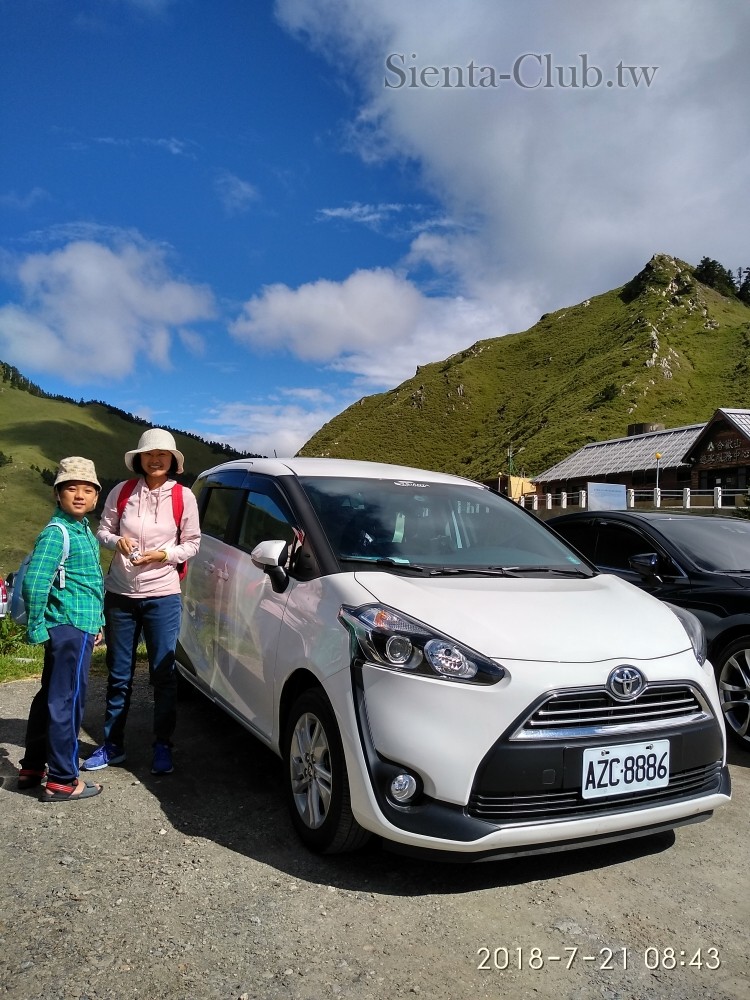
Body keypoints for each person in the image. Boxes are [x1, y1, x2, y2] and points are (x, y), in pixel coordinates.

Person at [83, 428, 200, 776]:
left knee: (163, 674)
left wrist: (164, 554)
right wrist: (116, 540)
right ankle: (112, 744)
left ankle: (163, 745)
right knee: (119, 674)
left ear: (172, 460)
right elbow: (102, 529)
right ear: (140, 458)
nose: (156, 459)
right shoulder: (121, 492)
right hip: (120, 594)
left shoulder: (183, 497)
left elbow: (193, 543)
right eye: (150, 454)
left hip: (163, 595)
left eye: (163, 454)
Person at [18, 457, 105, 802]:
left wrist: (97, 622)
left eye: (88, 489)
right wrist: (37, 627)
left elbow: (88, 583)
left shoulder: (83, 530)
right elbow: (36, 583)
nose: (80, 495)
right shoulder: (58, 533)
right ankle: (63, 780)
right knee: (67, 701)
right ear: (58, 494)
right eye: (71, 488)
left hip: (79, 624)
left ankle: (33, 767)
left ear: (96, 497)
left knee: (50, 696)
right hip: (69, 627)